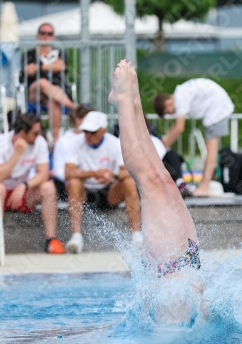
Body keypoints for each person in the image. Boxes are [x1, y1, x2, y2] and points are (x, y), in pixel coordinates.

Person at [108, 60, 200, 278]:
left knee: (151, 181)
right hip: (189, 266)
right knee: (165, 181)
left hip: (171, 275)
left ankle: (123, 103)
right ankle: (135, 103)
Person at [65, 111, 142, 254]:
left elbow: (129, 171)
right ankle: (76, 236)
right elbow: (67, 173)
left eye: (92, 132)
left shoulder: (114, 143)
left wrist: (113, 175)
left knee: (129, 182)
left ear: (103, 130)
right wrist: (94, 174)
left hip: (109, 191)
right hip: (85, 192)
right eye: (86, 131)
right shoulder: (75, 142)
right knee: (74, 183)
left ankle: (136, 235)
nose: (88, 135)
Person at [153, 78, 234, 197]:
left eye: (168, 112)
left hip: (218, 108)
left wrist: (162, 146)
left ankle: (204, 187)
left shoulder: (180, 98)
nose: (172, 113)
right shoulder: (181, 92)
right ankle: (205, 184)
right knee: (211, 147)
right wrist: (164, 141)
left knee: (212, 147)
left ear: (167, 103)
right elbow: (176, 127)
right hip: (217, 104)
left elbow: (179, 127)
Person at [0, 113, 66, 254]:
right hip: (2, 193)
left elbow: (43, 173)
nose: (39, 135)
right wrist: (17, 153)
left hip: (22, 193)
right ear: (22, 133)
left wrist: (24, 185)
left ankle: (51, 241)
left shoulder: (39, 142)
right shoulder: (2, 143)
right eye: (35, 133)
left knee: (48, 187)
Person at [21, 23, 75, 144]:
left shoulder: (60, 53)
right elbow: (28, 71)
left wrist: (38, 67)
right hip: (34, 94)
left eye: (49, 34)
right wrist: (50, 66)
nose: (46, 36)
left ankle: (55, 142)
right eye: (43, 33)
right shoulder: (28, 54)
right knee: (42, 82)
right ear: (37, 35)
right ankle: (75, 109)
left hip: (56, 96)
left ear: (53, 37)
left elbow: (61, 67)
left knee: (52, 101)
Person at [53, 104, 94, 200]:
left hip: (95, 184)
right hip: (71, 183)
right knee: (75, 183)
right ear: (77, 119)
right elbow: (59, 171)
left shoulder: (100, 138)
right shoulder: (64, 141)